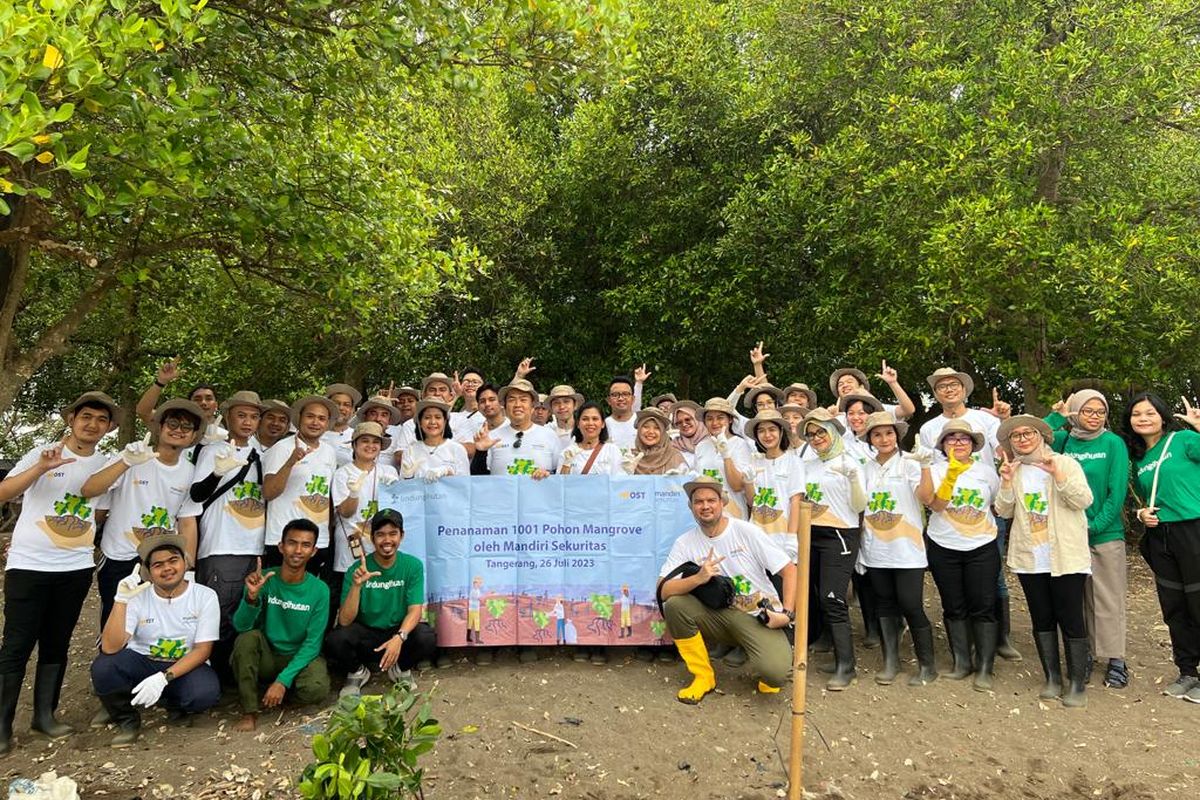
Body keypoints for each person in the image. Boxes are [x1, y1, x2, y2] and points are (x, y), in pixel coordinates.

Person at [0, 392, 120, 753]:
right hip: (28, 564)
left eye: (101, 420)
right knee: (16, 645)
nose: (92, 424)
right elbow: (3, 492)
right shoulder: (43, 452)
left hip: (75, 567)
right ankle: (2, 726)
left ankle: (44, 716)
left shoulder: (105, 465)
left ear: (109, 428)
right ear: (71, 418)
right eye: (86, 416)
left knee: (57, 641)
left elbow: (98, 513)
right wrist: (40, 468)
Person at [657, 476, 795, 703]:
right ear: (691, 507)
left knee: (776, 675)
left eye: (711, 500)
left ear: (722, 503)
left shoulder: (746, 532)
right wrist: (698, 579)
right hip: (718, 615)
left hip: (758, 617)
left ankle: (766, 661)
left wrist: (786, 614)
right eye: (698, 501)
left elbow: (790, 571)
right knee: (674, 605)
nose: (705, 506)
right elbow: (662, 590)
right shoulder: (686, 542)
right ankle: (703, 676)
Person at [918, 367, 1020, 663]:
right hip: (948, 509)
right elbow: (930, 469)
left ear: (964, 388)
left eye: (954, 384)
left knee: (993, 579)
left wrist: (1005, 421)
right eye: (941, 387)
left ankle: (1000, 639)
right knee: (957, 587)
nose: (948, 390)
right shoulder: (929, 428)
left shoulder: (985, 419)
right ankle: (967, 650)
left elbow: (1004, 451)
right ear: (935, 394)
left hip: (985, 503)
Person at [995, 415, 1093, 708]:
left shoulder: (1064, 463)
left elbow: (1084, 500)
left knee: (1071, 617)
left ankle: (1076, 681)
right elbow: (1003, 510)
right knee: (1042, 617)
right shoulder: (1014, 470)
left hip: (1066, 555)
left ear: (1041, 436)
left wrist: (1059, 478)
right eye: (1016, 436)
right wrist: (1006, 482)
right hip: (1030, 557)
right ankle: (1052, 677)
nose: (1022, 438)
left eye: (1028, 433)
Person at [90, 534, 221, 746]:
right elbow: (110, 646)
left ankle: (172, 703)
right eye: (158, 565)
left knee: (204, 693)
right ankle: (126, 717)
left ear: (185, 563)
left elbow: (203, 650)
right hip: (142, 661)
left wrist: (163, 678)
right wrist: (121, 600)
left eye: (173, 560)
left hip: (183, 666)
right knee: (104, 667)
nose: (167, 568)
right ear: (148, 572)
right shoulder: (137, 596)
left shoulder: (205, 596)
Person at [82, 399, 203, 629]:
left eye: (186, 427)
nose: (178, 430)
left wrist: (189, 566)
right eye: (173, 423)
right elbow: (89, 489)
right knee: (115, 619)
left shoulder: (190, 471)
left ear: (193, 436)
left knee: (153, 623)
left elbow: (187, 520)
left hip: (160, 560)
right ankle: (109, 663)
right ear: (160, 426)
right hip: (119, 555)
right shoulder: (134, 454)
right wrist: (126, 462)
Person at [1044, 390, 1130, 689]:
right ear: (1076, 412)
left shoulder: (1113, 443)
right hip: (1068, 535)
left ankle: (1115, 658)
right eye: (1087, 411)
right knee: (1076, 598)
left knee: (1107, 597)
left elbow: (1116, 491)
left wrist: (1094, 526)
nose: (1094, 416)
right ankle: (1087, 652)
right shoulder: (1064, 441)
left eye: (1100, 411)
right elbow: (1031, 437)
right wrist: (1058, 416)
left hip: (1103, 533)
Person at [182, 390, 268, 686]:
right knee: (220, 618)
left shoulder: (260, 454)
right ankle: (213, 680)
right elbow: (196, 495)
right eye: (241, 415)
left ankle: (238, 678)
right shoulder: (212, 451)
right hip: (221, 546)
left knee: (248, 615)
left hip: (255, 546)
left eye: (254, 416)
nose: (247, 422)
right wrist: (217, 473)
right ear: (228, 416)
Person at [1123, 392, 1200, 701]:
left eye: (1150, 412)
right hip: (1161, 537)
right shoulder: (1138, 458)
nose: (1143, 418)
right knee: (1174, 606)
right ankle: (1187, 672)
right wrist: (1142, 513)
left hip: (1193, 529)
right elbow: (1148, 498)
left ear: (1162, 416)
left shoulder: (1183, 440)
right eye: (1136, 414)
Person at [916, 418, 1001, 691]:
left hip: (982, 546)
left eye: (964, 438)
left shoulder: (987, 472)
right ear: (942, 444)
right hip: (944, 546)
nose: (958, 443)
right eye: (951, 438)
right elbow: (935, 505)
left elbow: (996, 504)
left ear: (973, 444)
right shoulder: (935, 470)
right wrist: (951, 475)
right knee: (953, 605)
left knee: (984, 604)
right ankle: (961, 662)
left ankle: (985, 666)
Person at [859, 412, 938, 686]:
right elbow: (859, 504)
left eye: (889, 433)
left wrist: (926, 467)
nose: (884, 439)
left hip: (906, 548)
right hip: (876, 548)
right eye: (877, 434)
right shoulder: (865, 468)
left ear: (897, 435)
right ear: (869, 438)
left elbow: (927, 498)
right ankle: (890, 661)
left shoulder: (910, 464)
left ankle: (927, 665)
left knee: (911, 604)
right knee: (884, 605)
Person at [790, 408, 867, 690]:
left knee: (833, 597)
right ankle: (830, 649)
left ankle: (847, 665)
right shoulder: (808, 465)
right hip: (810, 534)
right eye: (810, 434)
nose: (816, 438)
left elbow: (860, 506)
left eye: (821, 432)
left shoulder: (851, 461)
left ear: (833, 432)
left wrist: (854, 478)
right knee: (812, 595)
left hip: (840, 535)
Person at [230, 520, 331, 731]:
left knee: (317, 689)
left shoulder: (320, 590)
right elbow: (242, 626)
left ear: (314, 551)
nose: (298, 550)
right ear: (281, 546)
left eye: (305, 545)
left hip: (298, 656)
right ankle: (250, 710)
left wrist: (282, 682)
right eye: (292, 543)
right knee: (246, 640)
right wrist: (251, 598)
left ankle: (280, 693)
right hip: (268, 655)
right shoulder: (264, 579)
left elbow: (313, 643)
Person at [325, 510, 437, 696]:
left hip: (396, 634)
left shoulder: (412, 565)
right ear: (372, 537)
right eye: (381, 534)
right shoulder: (356, 569)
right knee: (335, 639)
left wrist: (400, 637)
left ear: (402, 536)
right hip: (366, 635)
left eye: (393, 534)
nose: (387, 540)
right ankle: (358, 672)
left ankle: (400, 669)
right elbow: (344, 621)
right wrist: (356, 586)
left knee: (426, 636)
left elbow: (415, 611)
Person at [261, 394, 339, 571]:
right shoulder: (281, 448)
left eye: (321, 418)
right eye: (310, 416)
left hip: (318, 541)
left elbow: (328, 496)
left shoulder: (329, 452)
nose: (315, 422)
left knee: (309, 594)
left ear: (327, 424)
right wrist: (290, 462)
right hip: (283, 539)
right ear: (299, 419)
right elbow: (268, 492)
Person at [331, 422, 401, 609]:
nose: (370, 446)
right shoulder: (342, 474)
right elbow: (345, 512)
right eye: (364, 441)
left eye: (375, 442)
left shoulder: (389, 471)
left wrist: (396, 489)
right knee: (349, 593)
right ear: (354, 445)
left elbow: (398, 509)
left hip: (380, 543)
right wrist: (353, 493)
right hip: (350, 542)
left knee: (378, 594)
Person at [744, 409, 804, 558]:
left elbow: (796, 501)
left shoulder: (793, 461)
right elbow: (753, 502)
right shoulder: (755, 461)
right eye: (761, 431)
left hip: (782, 537)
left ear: (781, 431)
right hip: (757, 535)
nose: (767, 435)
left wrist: (791, 537)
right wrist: (748, 482)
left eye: (772, 429)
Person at [473, 380, 560, 478]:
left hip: (538, 493)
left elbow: (559, 474)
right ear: (504, 407)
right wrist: (480, 452)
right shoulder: (492, 437)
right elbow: (479, 480)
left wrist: (548, 474)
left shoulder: (549, 435)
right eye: (511, 400)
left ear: (533, 406)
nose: (517, 405)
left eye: (523, 400)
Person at [692, 398, 754, 519]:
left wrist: (726, 455)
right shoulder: (701, 446)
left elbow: (737, 486)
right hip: (706, 515)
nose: (715, 423)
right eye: (709, 418)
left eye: (720, 418)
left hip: (734, 514)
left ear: (730, 420)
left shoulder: (740, 445)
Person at [403, 401, 470, 480]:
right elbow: (404, 486)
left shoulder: (457, 449)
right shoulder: (411, 451)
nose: (432, 422)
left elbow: (465, 484)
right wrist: (408, 477)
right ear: (420, 423)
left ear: (445, 422)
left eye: (438, 417)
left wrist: (448, 472)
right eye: (427, 417)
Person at [828, 363, 916, 421]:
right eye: (840, 384)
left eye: (849, 382)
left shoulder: (882, 408)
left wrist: (893, 383)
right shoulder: (837, 417)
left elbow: (908, 410)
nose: (845, 385)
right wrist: (830, 419)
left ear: (861, 387)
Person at [559, 402, 623, 475]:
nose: (590, 423)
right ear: (578, 424)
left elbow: (618, 482)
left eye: (595, 419)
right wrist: (566, 464)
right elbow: (560, 484)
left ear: (603, 424)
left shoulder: (612, 450)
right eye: (585, 419)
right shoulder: (568, 452)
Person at [628, 408, 688, 475]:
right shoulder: (630, 457)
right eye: (646, 427)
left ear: (663, 433)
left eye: (657, 428)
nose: (651, 432)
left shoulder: (674, 456)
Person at [669, 400, 708, 469]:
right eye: (679, 422)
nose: (684, 424)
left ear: (697, 419)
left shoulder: (712, 442)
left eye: (687, 419)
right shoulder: (674, 446)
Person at [605, 375, 639, 449]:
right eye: (615, 395)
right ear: (608, 400)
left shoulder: (642, 422)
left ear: (633, 399)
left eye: (625, 394)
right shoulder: (602, 425)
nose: (620, 398)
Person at [547, 385, 585, 450]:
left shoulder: (585, 431)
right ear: (551, 408)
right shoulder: (545, 432)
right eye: (556, 403)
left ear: (575, 405)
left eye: (566, 402)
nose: (561, 407)